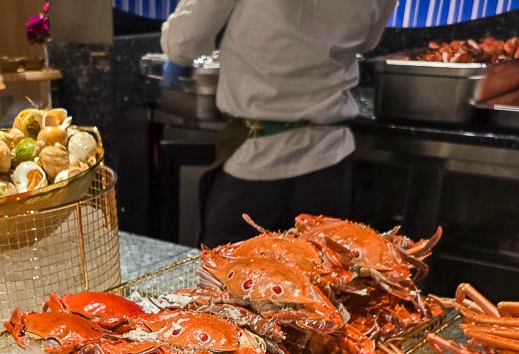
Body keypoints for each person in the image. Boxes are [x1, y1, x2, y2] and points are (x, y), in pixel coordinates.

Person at [160, 0, 397, 247]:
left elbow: (183, 41)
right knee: (319, 279)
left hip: (257, 164)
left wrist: (176, 59)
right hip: (330, 161)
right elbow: (368, 41)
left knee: (229, 279)